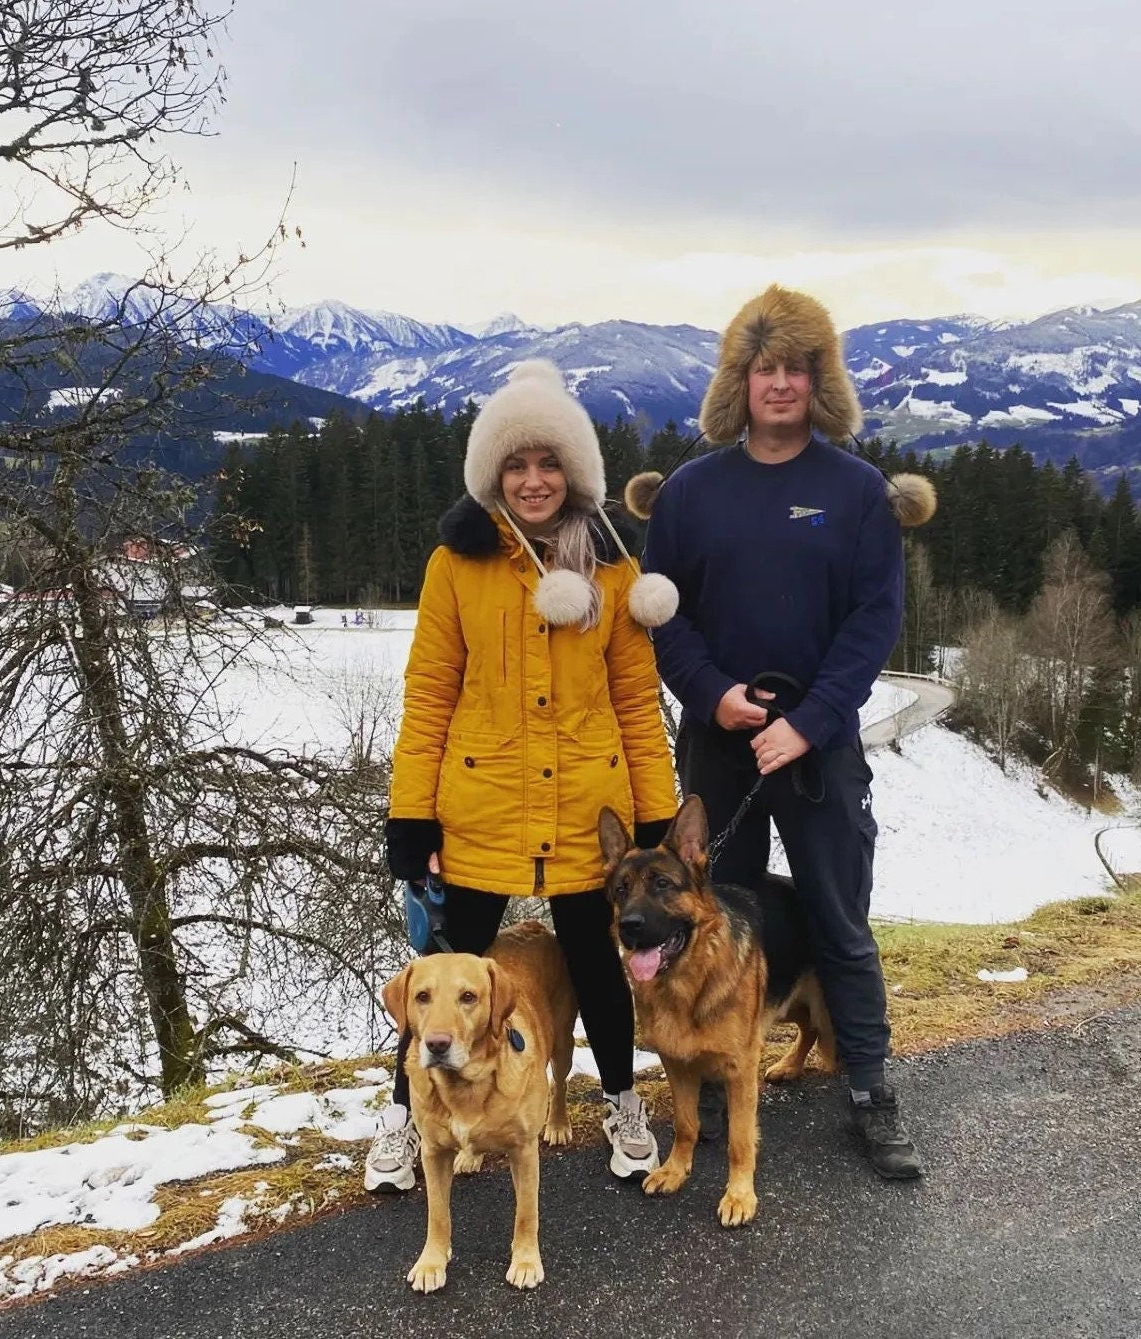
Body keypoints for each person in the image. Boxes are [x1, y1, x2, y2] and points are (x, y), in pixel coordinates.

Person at [628, 285, 936, 1180]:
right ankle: (718, 1082)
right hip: (718, 744)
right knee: (712, 920)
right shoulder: (690, 491)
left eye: (795, 367)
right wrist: (713, 694)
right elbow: (663, 617)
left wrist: (809, 721)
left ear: (818, 380)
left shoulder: (854, 491)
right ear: (740, 379)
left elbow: (875, 619)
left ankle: (870, 1089)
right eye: (764, 367)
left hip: (818, 746)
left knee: (838, 916)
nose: (779, 383)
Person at [367, 360, 681, 1193]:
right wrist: (412, 818)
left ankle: (620, 1105)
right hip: (479, 814)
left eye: (549, 463)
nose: (533, 480)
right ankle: (405, 1119)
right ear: (492, 474)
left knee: (598, 973)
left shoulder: (611, 572)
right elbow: (428, 693)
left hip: (588, 814)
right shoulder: (455, 564)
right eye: (516, 464)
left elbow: (634, 702)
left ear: (574, 472)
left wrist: (652, 820)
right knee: (439, 983)